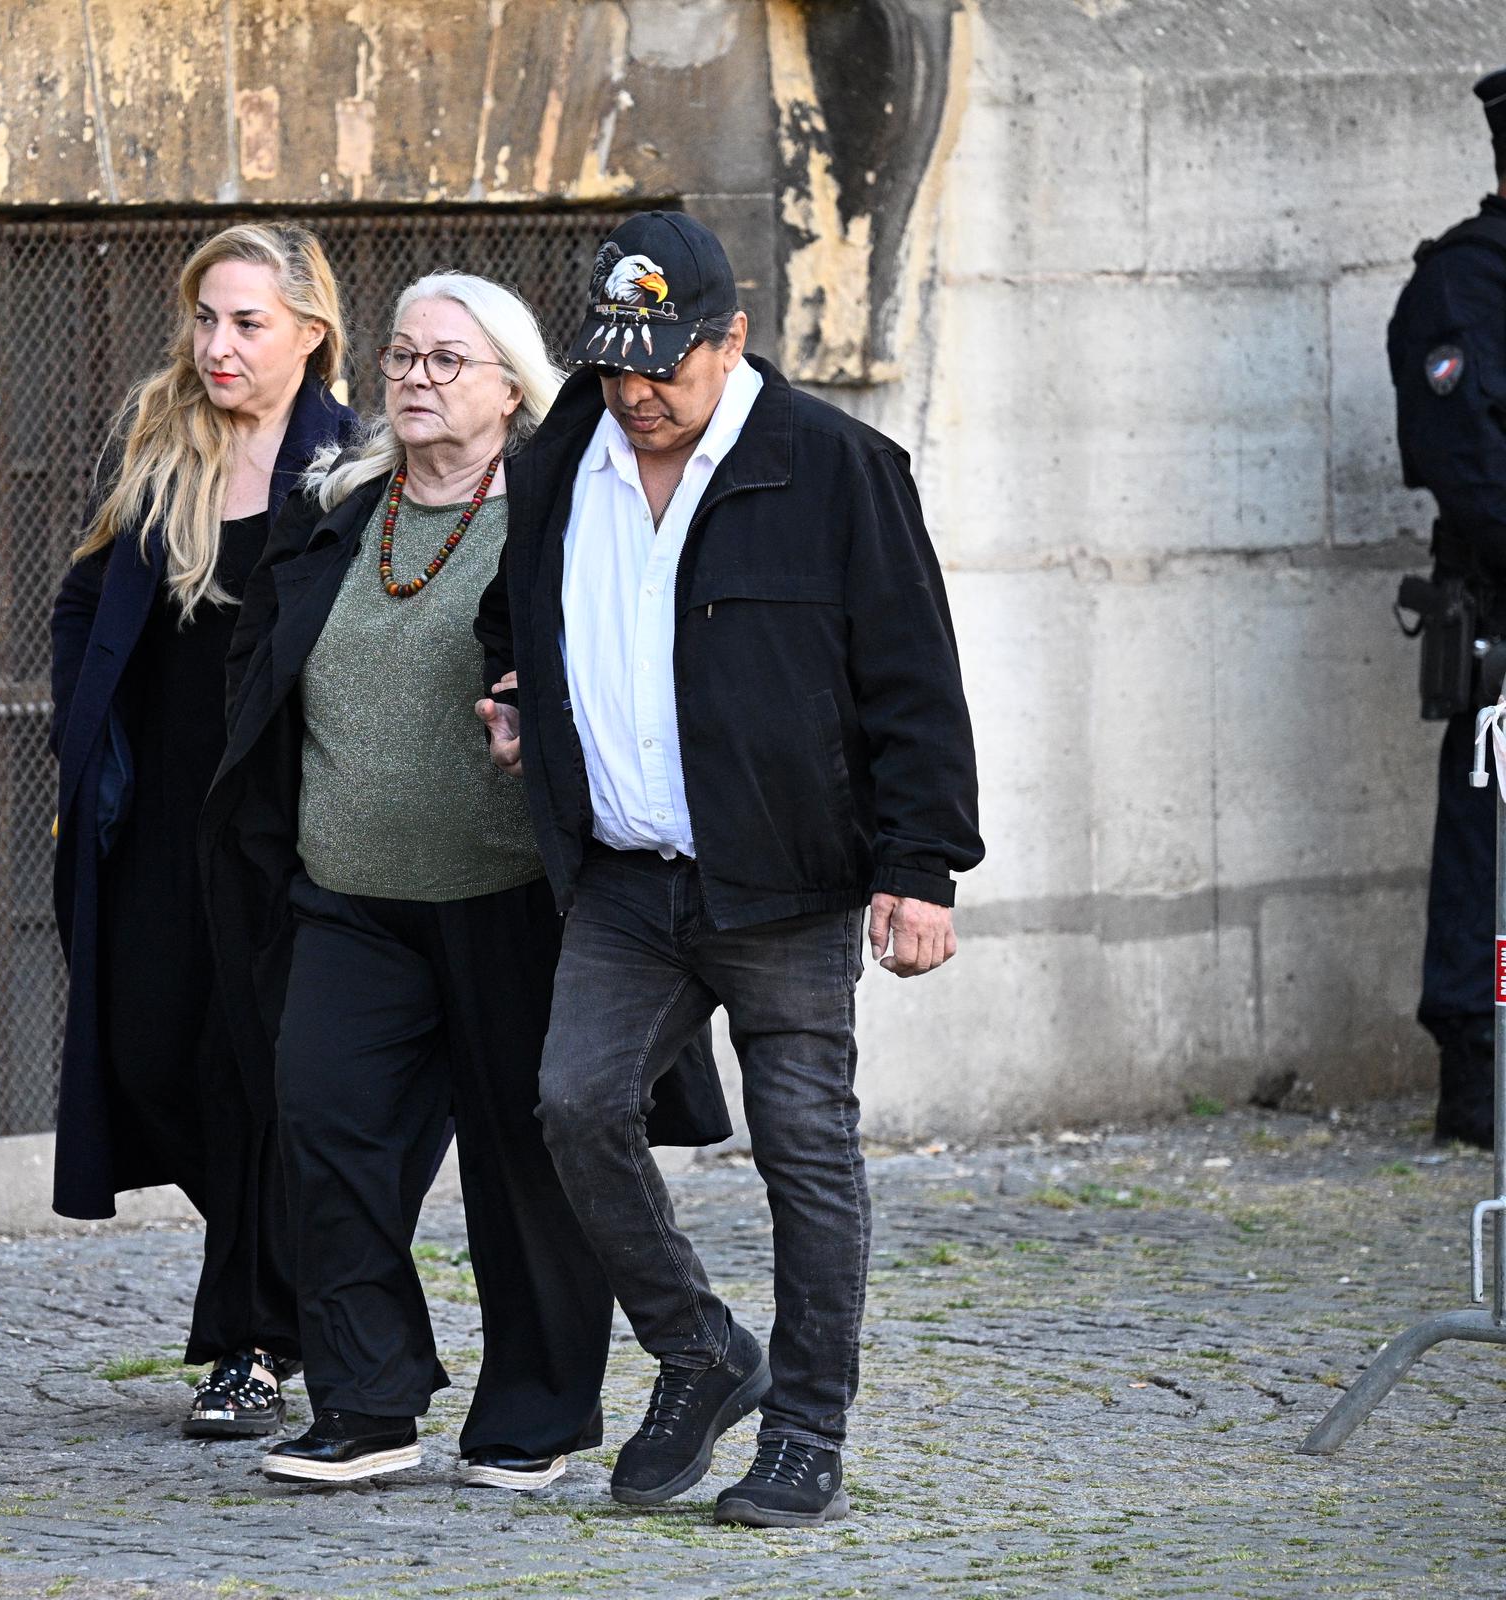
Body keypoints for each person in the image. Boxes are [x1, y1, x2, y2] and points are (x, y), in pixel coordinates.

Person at [474, 211, 981, 1525]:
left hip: (787, 876)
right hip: (626, 878)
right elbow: (512, 611)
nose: (636, 392)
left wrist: (922, 867)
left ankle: (806, 1429)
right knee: (575, 1106)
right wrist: (517, 694)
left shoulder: (835, 465)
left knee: (804, 1146)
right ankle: (701, 1349)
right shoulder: (562, 456)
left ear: (733, 337)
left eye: (664, 365)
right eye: (615, 364)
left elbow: (915, 679)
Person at [203, 274, 730, 1491]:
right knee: (322, 1125)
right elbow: (260, 675)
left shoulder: (562, 515)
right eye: (401, 357)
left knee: (523, 1164)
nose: (416, 379)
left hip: (516, 899)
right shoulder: (335, 512)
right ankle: (365, 1403)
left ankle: (533, 1418)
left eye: (448, 360)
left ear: (511, 388)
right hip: (348, 897)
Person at [48, 224, 352, 1438]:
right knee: (147, 1050)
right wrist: (82, 738)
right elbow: (83, 599)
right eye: (206, 318)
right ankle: (306, 1281)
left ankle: (251, 1341)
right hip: (160, 816)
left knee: (253, 1073)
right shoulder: (163, 451)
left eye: (247, 323)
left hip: (286, 821)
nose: (217, 345)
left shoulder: (352, 466)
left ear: (311, 334)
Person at [1388, 67, 1506, 1153]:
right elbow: (1470, 467)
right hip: (1504, 616)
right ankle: (1479, 1065)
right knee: (1489, 837)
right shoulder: (1466, 284)